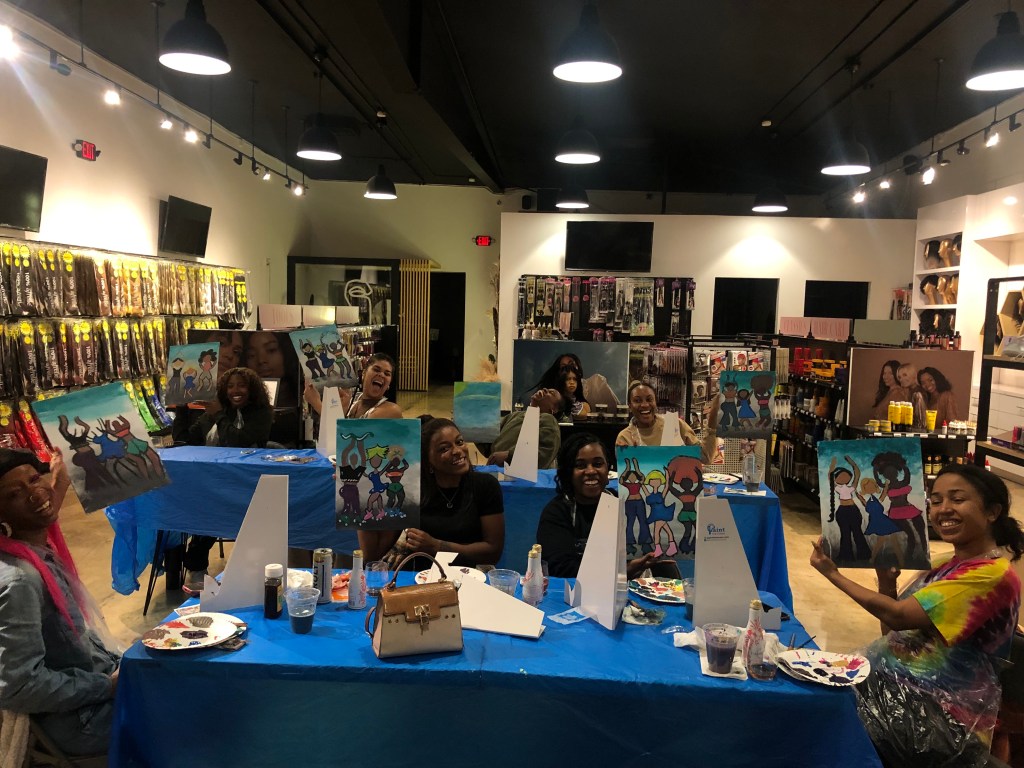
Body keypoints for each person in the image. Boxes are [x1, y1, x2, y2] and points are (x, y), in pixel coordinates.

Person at [811, 463, 1024, 768]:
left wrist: (832, 574)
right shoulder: (945, 565)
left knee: (820, 723)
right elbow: (895, 635)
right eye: (936, 501)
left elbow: (898, 616)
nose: (943, 509)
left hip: (940, 718)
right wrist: (887, 583)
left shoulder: (991, 576)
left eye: (957, 499)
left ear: (992, 511)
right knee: (812, 696)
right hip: (902, 695)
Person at [0, 449, 120, 755]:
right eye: (15, 493)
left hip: (94, 687)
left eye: (34, 479)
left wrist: (60, 479)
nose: (35, 494)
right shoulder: (21, 580)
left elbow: (43, 501)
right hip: (81, 717)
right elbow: (20, 686)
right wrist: (108, 685)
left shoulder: (34, 547)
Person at [182, 367, 274, 592]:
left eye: (241, 385)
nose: (236, 391)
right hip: (216, 481)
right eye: (230, 386)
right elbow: (186, 439)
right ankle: (196, 568)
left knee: (215, 506)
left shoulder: (261, 413)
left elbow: (238, 441)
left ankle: (248, 569)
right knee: (207, 505)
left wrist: (219, 415)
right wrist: (181, 409)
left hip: (250, 482)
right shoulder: (216, 412)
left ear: (252, 389)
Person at [375, 418, 504, 568]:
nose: (457, 451)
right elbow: (376, 552)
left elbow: (493, 552)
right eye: (444, 449)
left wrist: (437, 546)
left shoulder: (485, 486)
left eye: (459, 442)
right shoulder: (413, 491)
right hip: (418, 577)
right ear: (427, 460)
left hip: (469, 576)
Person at [536, 433, 657, 578]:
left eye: (598, 464)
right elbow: (558, 568)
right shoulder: (557, 512)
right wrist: (620, 572)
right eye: (580, 465)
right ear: (568, 473)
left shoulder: (624, 503)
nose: (591, 471)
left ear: (608, 469)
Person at [615, 381, 718, 464]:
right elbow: (627, 475)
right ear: (630, 406)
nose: (645, 405)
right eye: (637, 401)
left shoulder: (672, 426)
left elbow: (705, 457)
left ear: (655, 402)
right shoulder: (625, 437)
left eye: (649, 399)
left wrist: (713, 416)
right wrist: (624, 456)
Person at [487, 387, 562, 469]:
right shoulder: (514, 415)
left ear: (554, 409)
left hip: (522, 473)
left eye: (551, 393)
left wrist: (509, 456)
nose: (544, 389)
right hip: (496, 469)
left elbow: (545, 453)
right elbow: (490, 440)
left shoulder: (549, 420)